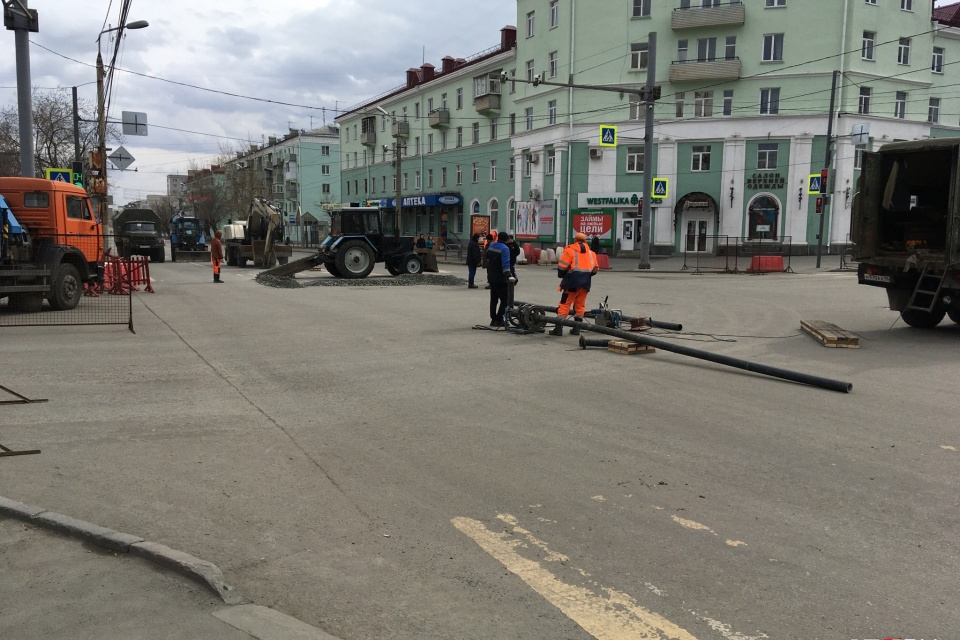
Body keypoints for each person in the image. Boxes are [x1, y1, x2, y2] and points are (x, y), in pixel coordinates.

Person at [549, 232, 598, 336]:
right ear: (585, 241)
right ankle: (576, 329)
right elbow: (594, 270)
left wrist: (563, 276)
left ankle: (558, 328)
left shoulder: (569, 251)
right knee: (580, 305)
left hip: (572, 283)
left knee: (564, 304)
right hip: (585, 283)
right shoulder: (591, 253)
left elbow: (562, 268)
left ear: (575, 240)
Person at [485, 232, 515, 326]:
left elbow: (487, 255)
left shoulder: (492, 245)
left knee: (493, 299)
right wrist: (509, 276)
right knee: (505, 299)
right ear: (506, 239)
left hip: (491, 276)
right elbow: (505, 265)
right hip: (500, 278)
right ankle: (499, 319)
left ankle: (493, 319)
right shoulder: (505, 248)